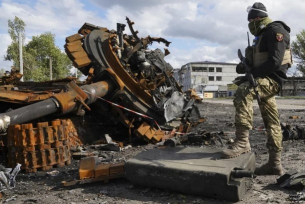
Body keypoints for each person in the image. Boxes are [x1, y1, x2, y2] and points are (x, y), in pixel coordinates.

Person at [221, 2, 292, 176]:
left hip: (272, 80)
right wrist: (244, 67)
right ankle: (275, 164)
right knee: (272, 122)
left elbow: (275, 62)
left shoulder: (276, 31)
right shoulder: (261, 35)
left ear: (259, 18)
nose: (251, 23)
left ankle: (242, 142)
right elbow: (259, 60)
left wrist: (250, 76)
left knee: (243, 90)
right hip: (262, 79)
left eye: (253, 19)